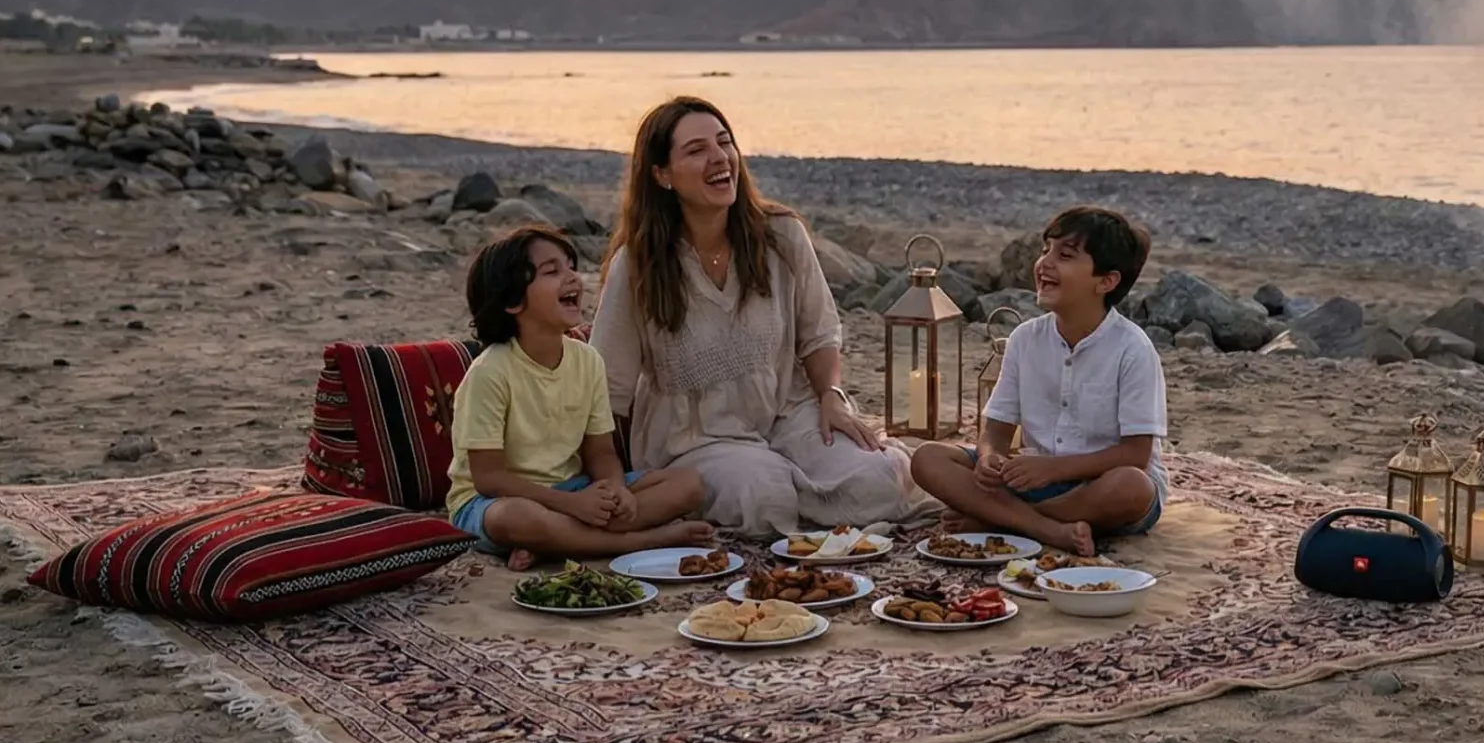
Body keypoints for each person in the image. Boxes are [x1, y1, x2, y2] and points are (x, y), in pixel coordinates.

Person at [587, 96, 933, 539]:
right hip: (695, 439)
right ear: (662, 175)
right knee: (766, 495)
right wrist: (611, 479)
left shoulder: (782, 236)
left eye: (724, 142)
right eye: (696, 150)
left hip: (791, 412)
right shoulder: (638, 264)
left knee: (878, 479)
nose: (719, 158)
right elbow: (607, 391)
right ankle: (796, 499)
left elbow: (819, 331)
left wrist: (830, 394)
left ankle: (803, 494)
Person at [443, 224, 712, 568]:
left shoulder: (587, 360)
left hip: (573, 488)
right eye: (552, 271)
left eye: (571, 266)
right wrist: (571, 505)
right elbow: (489, 479)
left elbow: (600, 451)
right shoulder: (490, 372)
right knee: (517, 518)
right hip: (493, 502)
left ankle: (557, 542)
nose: (572, 278)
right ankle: (639, 542)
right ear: (512, 301)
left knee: (687, 484)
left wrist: (614, 488)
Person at [909, 206, 1167, 557]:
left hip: (1101, 487)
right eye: (1045, 250)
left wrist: (1054, 469)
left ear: (1105, 281)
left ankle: (998, 522)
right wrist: (990, 459)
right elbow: (995, 432)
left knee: (1133, 486)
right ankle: (1046, 529)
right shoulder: (1024, 339)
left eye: (1065, 255)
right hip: (1033, 481)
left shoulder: (1133, 349)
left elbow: (1136, 454)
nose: (1045, 263)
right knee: (928, 458)